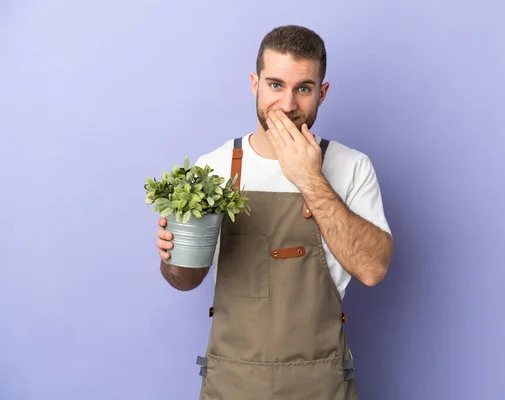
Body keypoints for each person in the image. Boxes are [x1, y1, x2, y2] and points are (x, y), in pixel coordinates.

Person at [154, 25, 393, 399]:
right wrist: (173, 255)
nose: (287, 105)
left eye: (303, 88)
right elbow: (185, 280)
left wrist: (310, 178)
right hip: (232, 383)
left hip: (321, 385)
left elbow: (373, 270)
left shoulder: (351, 167)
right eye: (276, 85)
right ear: (255, 84)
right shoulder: (214, 169)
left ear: (322, 93)